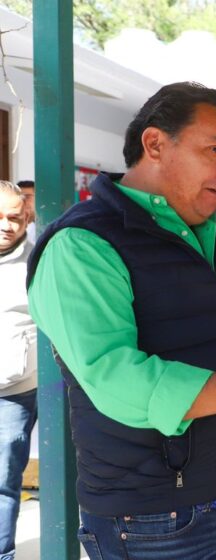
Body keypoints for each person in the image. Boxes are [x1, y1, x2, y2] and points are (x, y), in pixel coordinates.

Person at [26, 81, 216, 558]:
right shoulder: (84, 245)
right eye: (215, 150)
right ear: (154, 144)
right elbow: (116, 378)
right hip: (158, 521)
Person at [0, 181, 35, 560]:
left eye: (14, 217)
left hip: (12, 393)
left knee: (2, 483)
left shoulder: (37, 261)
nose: (7, 225)